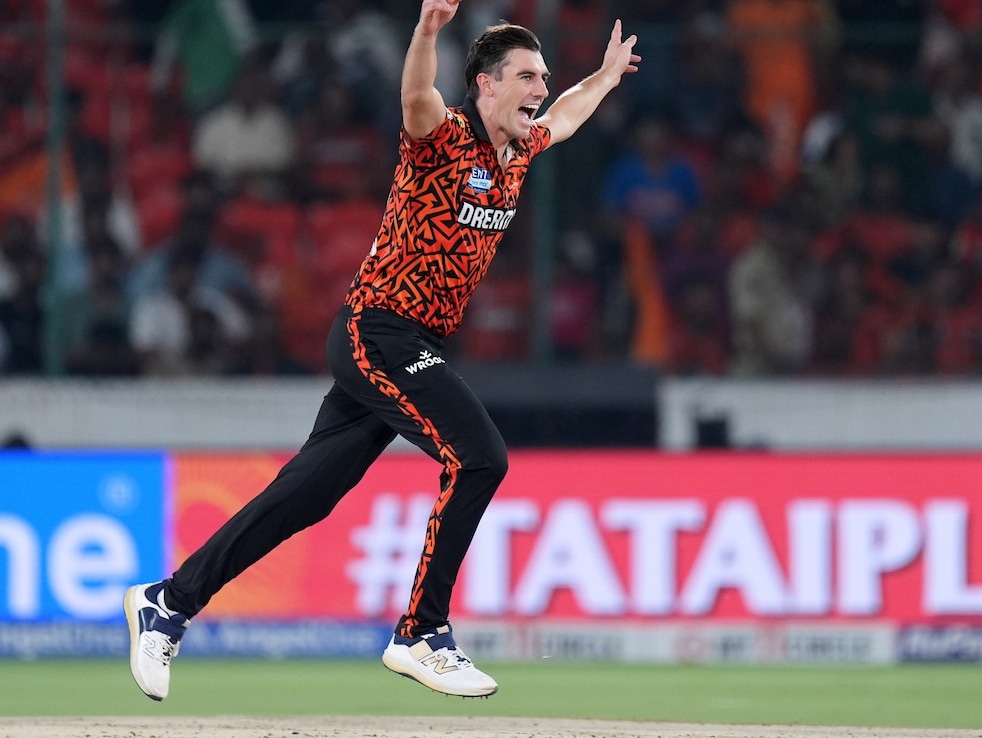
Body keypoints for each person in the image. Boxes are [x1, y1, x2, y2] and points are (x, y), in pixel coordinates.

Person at [123, 0, 639, 702]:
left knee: (305, 496)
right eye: (527, 76)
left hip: (409, 343)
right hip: (378, 331)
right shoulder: (444, 136)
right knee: (480, 456)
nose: (541, 88)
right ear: (486, 85)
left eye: (543, 76)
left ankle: (169, 602)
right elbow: (415, 97)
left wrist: (603, 77)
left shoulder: (519, 150)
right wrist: (427, 31)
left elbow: (569, 114)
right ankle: (422, 633)